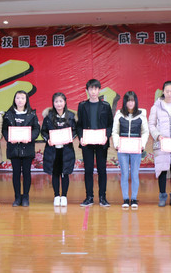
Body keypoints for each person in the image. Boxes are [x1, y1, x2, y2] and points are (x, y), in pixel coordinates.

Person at [76, 79, 113, 207]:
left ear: (99, 90)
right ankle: (89, 197)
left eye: (96, 89)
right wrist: (81, 137)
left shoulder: (106, 106)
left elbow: (110, 124)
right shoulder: (82, 106)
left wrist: (106, 136)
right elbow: (79, 125)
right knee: (88, 170)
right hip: (87, 143)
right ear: (87, 90)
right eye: (91, 89)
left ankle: (102, 197)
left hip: (101, 143)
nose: (93, 91)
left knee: (102, 170)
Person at [2, 90, 41, 207]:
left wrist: (29, 137)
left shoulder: (32, 114)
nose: (20, 100)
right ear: (14, 99)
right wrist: (9, 138)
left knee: (27, 173)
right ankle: (17, 197)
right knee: (16, 173)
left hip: (27, 148)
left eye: (22, 98)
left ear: (26, 100)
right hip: (14, 149)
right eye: (18, 98)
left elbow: (36, 129)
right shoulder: (8, 114)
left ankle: (26, 197)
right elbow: (4, 129)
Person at [111, 91, 149, 209]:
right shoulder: (119, 114)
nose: (130, 103)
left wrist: (142, 145)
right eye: (128, 101)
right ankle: (126, 199)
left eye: (132, 100)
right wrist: (117, 144)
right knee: (124, 174)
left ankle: (134, 199)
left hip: (136, 149)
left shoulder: (141, 115)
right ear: (125, 102)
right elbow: (115, 131)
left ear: (135, 102)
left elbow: (145, 132)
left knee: (134, 174)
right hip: (123, 148)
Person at [41, 92, 77, 207]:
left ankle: (64, 196)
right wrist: (48, 139)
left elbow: (75, 130)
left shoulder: (71, 116)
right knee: (55, 173)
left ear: (65, 102)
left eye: (61, 101)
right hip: (53, 150)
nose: (59, 104)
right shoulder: (48, 117)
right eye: (56, 101)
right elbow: (43, 131)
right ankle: (56, 196)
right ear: (53, 103)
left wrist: (70, 137)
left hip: (66, 150)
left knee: (65, 173)